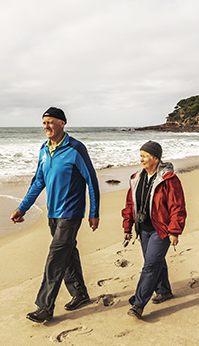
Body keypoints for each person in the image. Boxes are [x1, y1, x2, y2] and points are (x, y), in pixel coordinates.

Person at [11, 107, 100, 323]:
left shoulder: (76, 148)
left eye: (50, 122)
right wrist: (22, 208)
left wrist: (93, 212)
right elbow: (38, 181)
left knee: (55, 257)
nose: (46, 127)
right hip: (53, 213)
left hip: (71, 213)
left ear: (62, 123)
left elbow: (91, 180)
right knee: (67, 254)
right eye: (44, 123)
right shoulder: (44, 149)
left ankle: (45, 307)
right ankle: (80, 294)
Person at [121, 141, 186, 320]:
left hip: (161, 230)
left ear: (155, 158)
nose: (140, 159)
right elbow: (130, 204)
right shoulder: (136, 178)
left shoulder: (169, 179)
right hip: (143, 229)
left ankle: (138, 303)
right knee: (156, 261)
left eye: (144, 156)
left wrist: (174, 231)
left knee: (150, 265)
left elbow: (177, 207)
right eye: (140, 155)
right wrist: (128, 226)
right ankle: (164, 291)